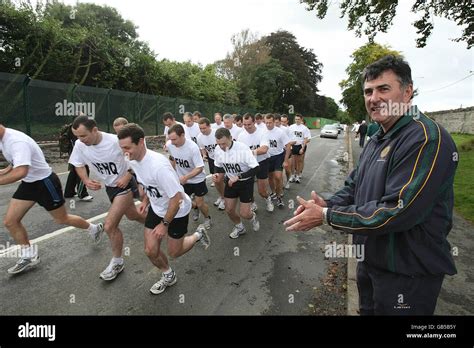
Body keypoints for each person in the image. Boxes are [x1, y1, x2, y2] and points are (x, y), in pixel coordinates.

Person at [284, 55, 458, 315]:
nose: (373, 98)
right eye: (368, 91)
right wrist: (328, 203)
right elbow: (355, 185)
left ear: (407, 92)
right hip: (371, 262)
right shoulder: (379, 135)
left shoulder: (424, 137)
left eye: (383, 89)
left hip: (407, 273)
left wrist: (326, 215)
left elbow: (397, 210)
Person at [117, 123, 210, 295]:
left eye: (128, 147)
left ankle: (197, 235)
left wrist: (164, 224)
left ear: (141, 142)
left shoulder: (159, 166)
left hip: (177, 210)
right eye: (122, 148)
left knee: (174, 252)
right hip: (157, 208)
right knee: (150, 250)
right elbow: (143, 180)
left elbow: (176, 200)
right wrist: (145, 199)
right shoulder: (132, 159)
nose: (125, 152)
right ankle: (168, 275)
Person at [0, 123, 103, 274]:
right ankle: (29, 256)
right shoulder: (4, 139)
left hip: (45, 183)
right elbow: (15, 160)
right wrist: (6, 170)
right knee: (10, 221)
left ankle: (94, 228)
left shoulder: (16, 141)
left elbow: (21, 171)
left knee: (62, 219)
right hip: (29, 184)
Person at [69, 116, 146, 281]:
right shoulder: (80, 145)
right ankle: (159, 223)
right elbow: (78, 163)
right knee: (133, 215)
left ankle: (117, 262)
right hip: (111, 187)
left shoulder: (114, 142)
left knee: (110, 226)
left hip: (124, 185)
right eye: (77, 136)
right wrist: (86, 180)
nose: (80, 140)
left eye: (83, 136)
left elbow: (135, 157)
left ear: (95, 130)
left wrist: (128, 175)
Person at [212, 128, 260, 239]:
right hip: (230, 182)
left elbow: (256, 168)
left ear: (230, 138)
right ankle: (239, 227)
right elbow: (218, 166)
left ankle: (252, 217)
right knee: (229, 209)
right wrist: (216, 174)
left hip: (245, 182)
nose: (222, 147)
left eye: (224, 143)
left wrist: (239, 176)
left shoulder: (242, 148)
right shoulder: (218, 149)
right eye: (219, 144)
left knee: (245, 214)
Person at [167, 124, 212, 229]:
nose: (172, 142)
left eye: (174, 139)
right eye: (170, 139)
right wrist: (172, 173)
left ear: (182, 135)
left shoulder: (192, 147)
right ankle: (194, 207)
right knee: (182, 201)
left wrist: (185, 177)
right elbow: (172, 158)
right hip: (183, 180)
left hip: (197, 179)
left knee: (200, 203)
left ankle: (207, 218)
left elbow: (200, 168)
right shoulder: (170, 144)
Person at [238, 113, 274, 212]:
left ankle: (268, 199)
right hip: (248, 164)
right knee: (248, 189)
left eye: (249, 124)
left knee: (262, 191)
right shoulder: (241, 135)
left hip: (262, 162)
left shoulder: (263, 133)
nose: (246, 127)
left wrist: (248, 152)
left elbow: (264, 149)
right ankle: (253, 203)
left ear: (254, 122)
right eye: (244, 125)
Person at [264, 113, 291, 208]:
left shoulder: (280, 132)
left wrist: (286, 160)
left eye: (270, 123)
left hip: (278, 156)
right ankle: (274, 192)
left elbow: (288, 146)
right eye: (266, 123)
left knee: (278, 177)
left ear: (274, 122)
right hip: (267, 157)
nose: (268, 125)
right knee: (270, 177)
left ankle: (279, 197)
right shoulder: (262, 132)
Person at [198, 117, 225, 209]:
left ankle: (225, 198)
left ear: (209, 126)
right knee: (216, 180)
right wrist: (204, 155)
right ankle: (222, 196)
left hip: (223, 159)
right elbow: (203, 149)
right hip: (212, 160)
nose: (202, 130)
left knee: (221, 180)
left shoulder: (217, 133)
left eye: (204, 128)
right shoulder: (200, 137)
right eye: (200, 128)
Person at [62, 122, 93, 201]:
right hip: (77, 154)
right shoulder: (77, 130)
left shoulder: (70, 128)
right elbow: (80, 142)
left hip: (72, 153)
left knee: (73, 172)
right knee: (84, 170)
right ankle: (82, 194)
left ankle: (69, 192)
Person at [288, 114, 310, 183]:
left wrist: (302, 148)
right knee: (292, 162)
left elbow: (306, 139)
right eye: (296, 119)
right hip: (292, 145)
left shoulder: (304, 128)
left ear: (301, 120)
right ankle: (292, 175)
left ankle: (297, 175)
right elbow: (287, 136)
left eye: (298, 119)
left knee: (298, 162)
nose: (297, 120)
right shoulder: (291, 127)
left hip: (300, 146)